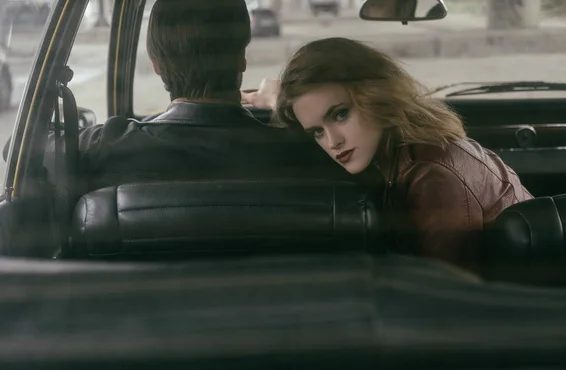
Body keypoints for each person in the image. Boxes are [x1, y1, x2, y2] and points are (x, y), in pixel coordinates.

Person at [242, 37, 533, 271]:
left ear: (377, 97)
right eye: (316, 131)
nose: (333, 142)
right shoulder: (393, 150)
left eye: (341, 114)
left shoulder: (433, 177)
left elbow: (447, 303)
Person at [3, 0, 343, 194]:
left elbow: (17, 150)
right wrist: (287, 106)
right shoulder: (306, 149)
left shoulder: (105, 146)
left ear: (156, 65)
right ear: (242, 58)